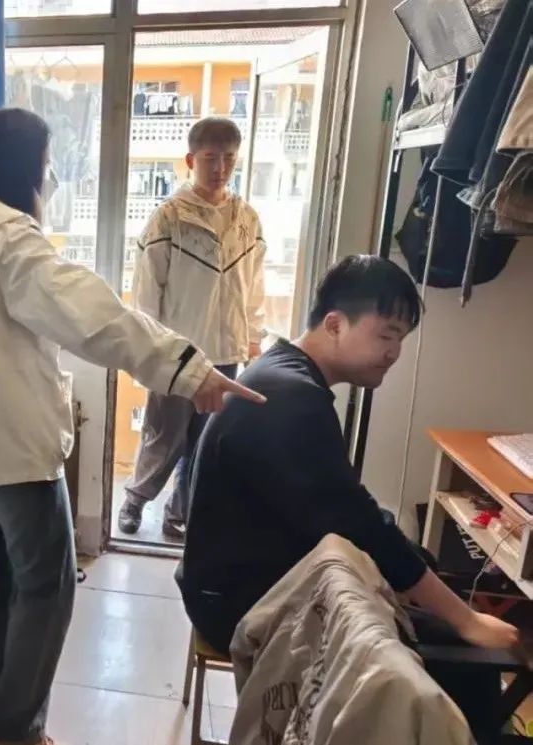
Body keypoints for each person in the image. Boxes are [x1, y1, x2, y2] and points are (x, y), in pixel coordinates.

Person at [0, 108, 265, 745]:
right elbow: (96, 317)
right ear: (25, 169)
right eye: (47, 165)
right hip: (15, 450)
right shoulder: (9, 241)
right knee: (46, 589)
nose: (50, 178)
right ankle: (16, 733)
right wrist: (191, 370)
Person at [177, 256, 518, 730]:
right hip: (235, 603)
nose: (394, 353)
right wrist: (468, 621)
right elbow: (360, 526)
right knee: (465, 663)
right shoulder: (291, 398)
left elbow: (345, 508)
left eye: (401, 339)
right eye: (386, 335)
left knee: (419, 578)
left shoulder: (283, 374)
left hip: (232, 580)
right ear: (335, 324)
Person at [119, 117, 266, 540]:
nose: (220, 168)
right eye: (210, 158)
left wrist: (252, 337)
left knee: (206, 441)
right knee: (165, 434)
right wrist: (149, 348)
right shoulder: (168, 218)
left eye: (229, 159)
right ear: (190, 160)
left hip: (225, 351)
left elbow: (254, 284)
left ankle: (178, 514)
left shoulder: (246, 219)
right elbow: (147, 290)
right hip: (176, 351)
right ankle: (135, 500)